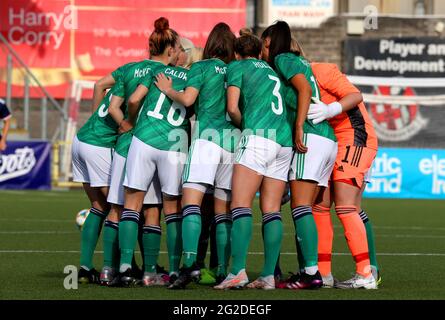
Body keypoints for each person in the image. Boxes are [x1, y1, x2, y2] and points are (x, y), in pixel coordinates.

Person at [155, 22, 238, 289]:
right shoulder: (237, 69)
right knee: (222, 211)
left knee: (191, 203)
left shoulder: (201, 67)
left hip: (207, 140)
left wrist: (168, 89)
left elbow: (188, 100)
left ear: (211, 43)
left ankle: (190, 265)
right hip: (233, 142)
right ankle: (224, 270)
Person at [214, 29, 293, 290]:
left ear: (237, 53)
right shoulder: (272, 70)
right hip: (284, 141)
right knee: (271, 209)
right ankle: (269, 275)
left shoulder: (237, 66)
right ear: (260, 52)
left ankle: (237, 271)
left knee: (239, 206)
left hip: (259, 137)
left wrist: (243, 125)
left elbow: (232, 107)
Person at [262, 21, 338, 289]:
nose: (263, 48)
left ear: (270, 42)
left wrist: (297, 128)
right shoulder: (299, 61)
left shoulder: (283, 58)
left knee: (301, 207)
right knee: (303, 207)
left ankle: (312, 273)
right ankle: (308, 269)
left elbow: (304, 90)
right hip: (326, 138)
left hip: (310, 135)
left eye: (264, 43)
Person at [117, 17, 191, 286]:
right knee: (172, 210)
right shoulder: (191, 74)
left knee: (132, 205)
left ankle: (126, 267)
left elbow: (134, 99)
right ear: (172, 51)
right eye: (180, 48)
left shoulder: (149, 69)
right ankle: (170, 271)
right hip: (174, 145)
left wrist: (131, 121)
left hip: (144, 140)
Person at [309, 62, 379, 289]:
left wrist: (331, 110)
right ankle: (324, 273)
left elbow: (355, 96)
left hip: (355, 137)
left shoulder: (321, 70)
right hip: (330, 141)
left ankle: (366, 273)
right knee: (319, 205)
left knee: (347, 207)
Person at [100, 57, 166, 286]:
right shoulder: (165, 71)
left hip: (123, 145)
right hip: (149, 143)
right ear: (171, 49)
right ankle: (149, 273)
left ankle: (109, 269)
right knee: (151, 210)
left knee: (117, 209)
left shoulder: (129, 68)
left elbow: (111, 106)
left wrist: (125, 124)